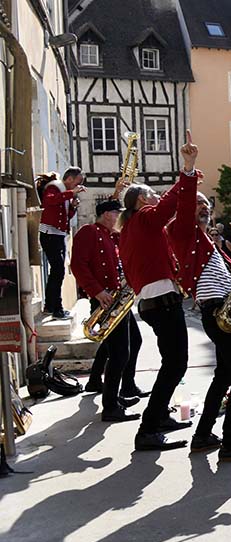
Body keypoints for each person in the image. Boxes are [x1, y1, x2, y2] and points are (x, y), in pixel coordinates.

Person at [166, 190, 231, 462]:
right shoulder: (182, 232)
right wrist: (188, 174)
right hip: (218, 311)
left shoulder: (210, 243)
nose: (203, 207)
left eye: (206, 203)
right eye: (197, 203)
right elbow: (184, 213)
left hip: (226, 309)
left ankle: (202, 435)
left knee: (224, 376)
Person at [118, 131, 198, 451]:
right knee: (176, 363)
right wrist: (187, 169)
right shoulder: (145, 219)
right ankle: (148, 429)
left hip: (156, 300)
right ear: (141, 201)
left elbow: (182, 213)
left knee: (172, 361)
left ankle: (159, 417)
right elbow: (168, 207)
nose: (156, 197)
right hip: (161, 300)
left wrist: (188, 182)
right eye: (152, 194)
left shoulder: (136, 227)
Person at [70, 198, 144, 422]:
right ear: (106, 214)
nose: (118, 217)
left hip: (116, 299)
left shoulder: (111, 237)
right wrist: (97, 291)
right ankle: (111, 405)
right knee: (119, 353)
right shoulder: (88, 232)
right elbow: (78, 264)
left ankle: (120, 394)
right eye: (116, 213)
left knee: (133, 343)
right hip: (104, 300)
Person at [36, 167, 84, 319]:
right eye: (78, 182)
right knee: (58, 271)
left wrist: (73, 206)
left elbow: (66, 216)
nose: (79, 185)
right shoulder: (55, 186)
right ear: (69, 179)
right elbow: (49, 201)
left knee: (57, 271)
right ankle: (56, 308)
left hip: (58, 234)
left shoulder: (65, 193)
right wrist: (71, 193)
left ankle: (50, 306)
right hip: (49, 234)